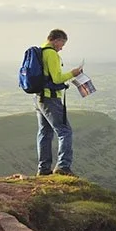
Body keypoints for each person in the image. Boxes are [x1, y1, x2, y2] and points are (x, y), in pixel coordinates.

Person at [35, 29, 82, 176]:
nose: (62, 47)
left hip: (39, 98)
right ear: (56, 40)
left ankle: (43, 169)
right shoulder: (51, 54)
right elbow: (56, 78)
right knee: (65, 131)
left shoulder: (40, 51)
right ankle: (63, 166)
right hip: (50, 98)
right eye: (62, 43)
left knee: (45, 132)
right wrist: (72, 74)